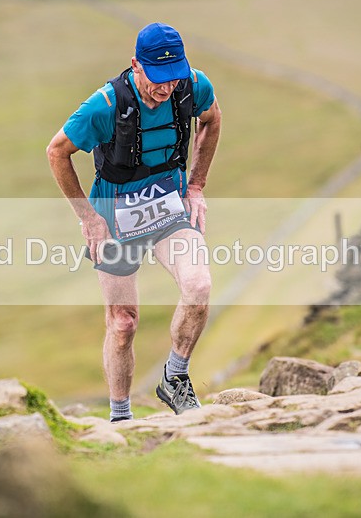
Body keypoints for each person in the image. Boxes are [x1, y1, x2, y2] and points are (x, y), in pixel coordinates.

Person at [46, 22, 222, 421]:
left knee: (199, 285)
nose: (167, 88)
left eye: (174, 77)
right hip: (114, 218)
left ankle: (174, 378)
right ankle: (121, 418)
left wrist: (196, 185)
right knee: (123, 324)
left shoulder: (193, 86)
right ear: (135, 66)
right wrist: (88, 218)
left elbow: (212, 119)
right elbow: (57, 151)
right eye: (158, 79)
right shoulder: (104, 106)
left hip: (170, 206)